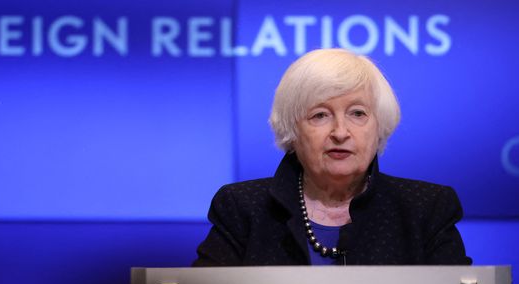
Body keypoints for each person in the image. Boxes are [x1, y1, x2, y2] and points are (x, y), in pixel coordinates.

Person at [194, 48, 471, 266]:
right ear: (293, 131)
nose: (340, 132)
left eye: (358, 113)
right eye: (320, 115)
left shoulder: (425, 209)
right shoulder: (243, 209)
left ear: (379, 127)